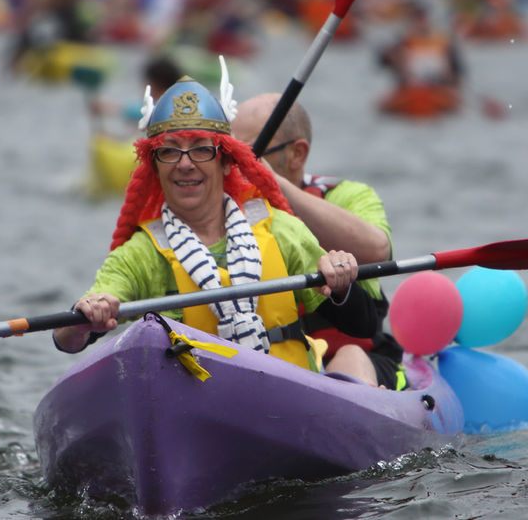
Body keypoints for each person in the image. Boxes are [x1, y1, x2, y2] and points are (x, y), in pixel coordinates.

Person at [53, 67, 382, 385]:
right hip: (196, 399)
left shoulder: (281, 230)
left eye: (200, 150)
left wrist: (341, 284)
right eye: (169, 152)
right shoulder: (140, 254)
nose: (185, 164)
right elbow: (66, 339)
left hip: (289, 396)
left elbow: (362, 324)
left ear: (225, 161)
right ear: (155, 166)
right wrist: (87, 319)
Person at [230, 93, 407, 390]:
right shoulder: (220, 209)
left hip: (355, 357)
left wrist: (274, 185)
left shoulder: (349, 195)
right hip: (274, 361)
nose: (237, 166)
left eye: (248, 155)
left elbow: (377, 250)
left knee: (350, 355)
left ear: (297, 154)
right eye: (231, 154)